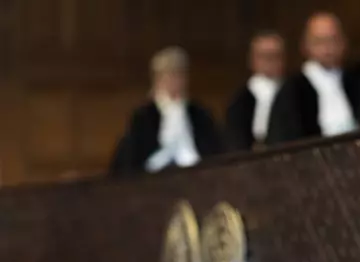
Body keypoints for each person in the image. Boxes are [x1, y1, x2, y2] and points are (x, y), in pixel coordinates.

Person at [109, 46, 226, 176]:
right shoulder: (143, 117)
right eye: (168, 75)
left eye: (179, 74)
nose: (174, 81)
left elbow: (216, 153)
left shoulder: (199, 114)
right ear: (157, 80)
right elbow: (131, 160)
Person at [266, 12, 360, 145]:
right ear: (305, 46)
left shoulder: (357, 82)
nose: (327, 48)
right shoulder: (292, 91)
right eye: (319, 41)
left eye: (332, 40)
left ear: (343, 42)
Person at [226, 31, 286, 151]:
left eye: (274, 56)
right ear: (252, 59)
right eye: (264, 56)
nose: (269, 62)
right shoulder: (240, 100)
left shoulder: (292, 94)